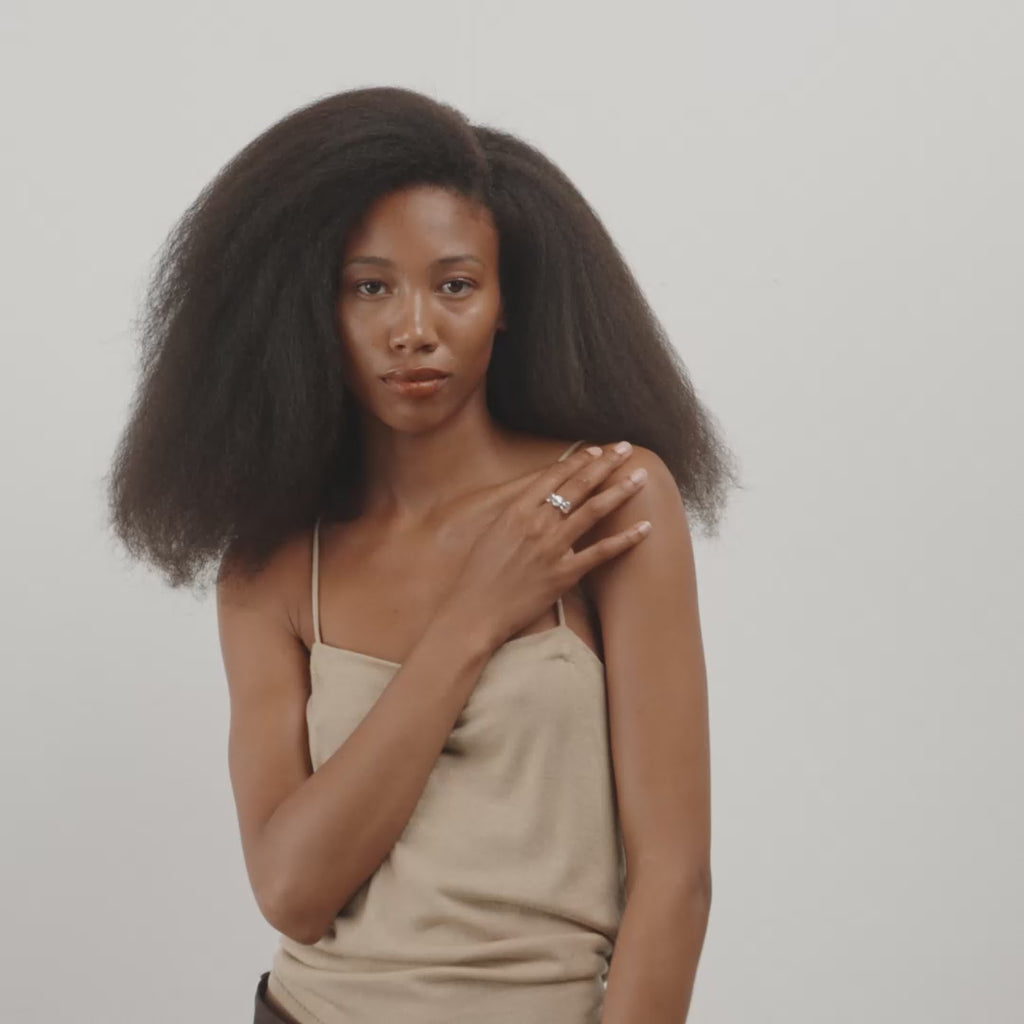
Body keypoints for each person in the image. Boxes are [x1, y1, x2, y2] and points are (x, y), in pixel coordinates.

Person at [105, 85, 739, 1024]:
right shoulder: (273, 565)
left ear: (506, 301)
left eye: (455, 285)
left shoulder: (604, 498)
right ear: (312, 308)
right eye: (370, 287)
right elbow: (292, 890)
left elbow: (676, 879)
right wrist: (477, 615)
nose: (414, 329)